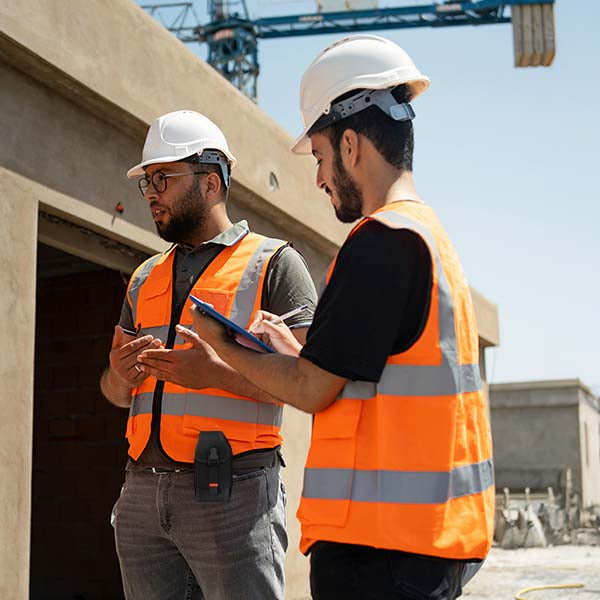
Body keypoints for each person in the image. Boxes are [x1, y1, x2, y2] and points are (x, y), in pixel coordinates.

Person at [190, 35, 495, 600]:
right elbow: (360, 380)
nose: (320, 178)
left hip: (382, 556)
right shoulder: (428, 238)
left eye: (321, 158)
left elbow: (312, 390)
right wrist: (294, 352)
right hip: (424, 545)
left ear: (351, 144)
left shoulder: (379, 242)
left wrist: (222, 349)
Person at [99, 110, 318, 600]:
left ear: (212, 183)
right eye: (147, 182)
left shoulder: (276, 265)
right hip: (140, 495)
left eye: (163, 178)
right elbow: (114, 393)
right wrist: (118, 377)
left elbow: (312, 387)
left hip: (234, 494)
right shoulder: (143, 277)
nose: (151, 192)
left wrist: (215, 374)